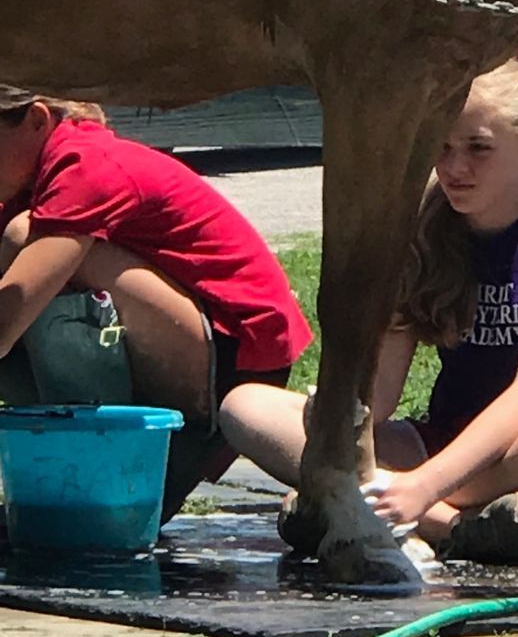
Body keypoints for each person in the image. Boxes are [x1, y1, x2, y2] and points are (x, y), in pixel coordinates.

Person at [222, 61, 518, 564]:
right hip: (446, 444)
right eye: (441, 147)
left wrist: (424, 486)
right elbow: (378, 401)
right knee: (245, 406)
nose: (454, 168)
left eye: (478, 148)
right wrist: (335, 416)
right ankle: (451, 527)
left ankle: (353, 499)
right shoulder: (426, 227)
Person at [0, 88, 313, 522]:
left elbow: (7, 319)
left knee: (24, 242)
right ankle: (97, 468)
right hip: (185, 345)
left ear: (37, 120)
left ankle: (106, 453)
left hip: (232, 360)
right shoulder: (26, 179)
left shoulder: (86, 164)